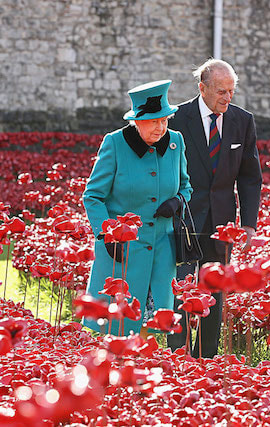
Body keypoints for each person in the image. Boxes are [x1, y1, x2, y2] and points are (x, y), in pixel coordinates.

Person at [167, 59, 262, 358]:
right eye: (221, 91)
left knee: (214, 292)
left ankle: (206, 356)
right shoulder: (177, 118)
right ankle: (178, 355)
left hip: (222, 221)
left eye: (231, 91)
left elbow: (250, 177)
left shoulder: (242, 121)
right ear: (202, 88)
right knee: (180, 288)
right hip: (182, 219)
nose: (227, 97)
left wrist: (248, 223)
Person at [82, 80, 192, 337]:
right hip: (123, 252)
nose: (161, 127)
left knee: (151, 330)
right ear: (137, 121)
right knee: (118, 328)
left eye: (165, 120)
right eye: (154, 121)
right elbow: (93, 196)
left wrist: (177, 201)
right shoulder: (115, 144)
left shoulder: (175, 142)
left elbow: (186, 187)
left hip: (162, 252)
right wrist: (106, 233)